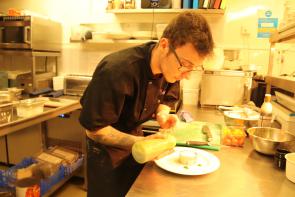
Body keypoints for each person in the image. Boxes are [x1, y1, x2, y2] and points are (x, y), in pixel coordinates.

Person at [79, 10, 214, 197]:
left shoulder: (173, 68)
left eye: (193, 67)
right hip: (107, 155)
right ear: (165, 45)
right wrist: (139, 142)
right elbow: (94, 130)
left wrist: (163, 115)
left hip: (139, 145)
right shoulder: (117, 70)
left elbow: (166, 98)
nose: (187, 74)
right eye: (185, 64)